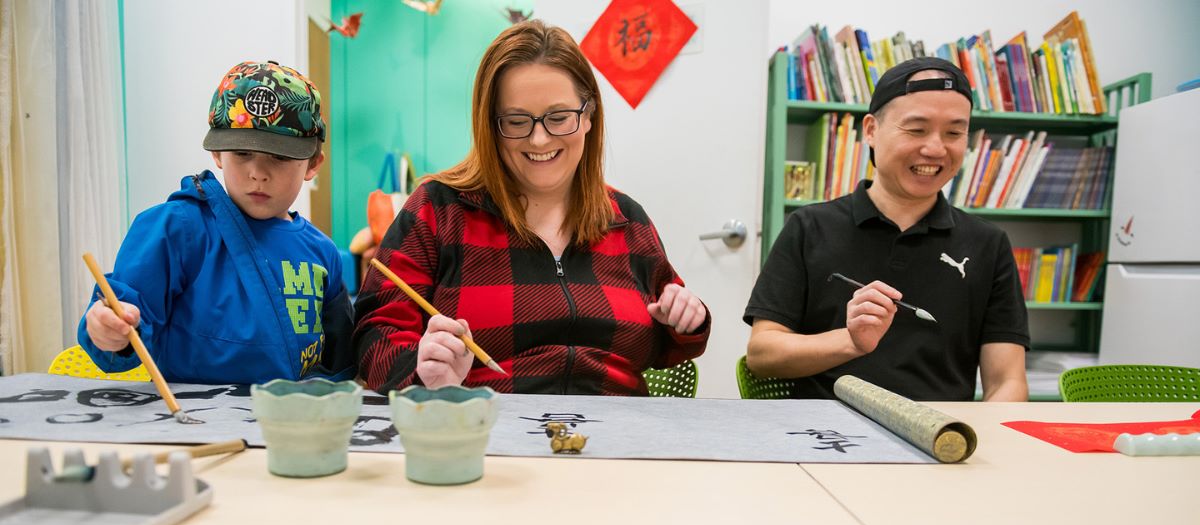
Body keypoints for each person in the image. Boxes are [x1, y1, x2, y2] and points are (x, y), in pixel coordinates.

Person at [354, 20, 709, 395]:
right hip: (485, 433)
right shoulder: (438, 210)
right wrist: (422, 368)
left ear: (588, 116)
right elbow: (372, 337)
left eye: (559, 118)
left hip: (617, 439)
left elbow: (663, 343)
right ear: (490, 124)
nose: (539, 139)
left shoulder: (627, 220)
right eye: (517, 121)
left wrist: (686, 320)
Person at [744, 57, 1028, 401]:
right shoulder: (810, 227)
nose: (936, 149)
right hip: (825, 434)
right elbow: (761, 355)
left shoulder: (988, 244)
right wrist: (850, 341)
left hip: (939, 437)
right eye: (917, 129)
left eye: (954, 133)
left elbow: (1006, 381)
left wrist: (974, 442)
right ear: (871, 131)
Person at [79, 60, 354, 384]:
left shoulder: (322, 252)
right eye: (241, 153)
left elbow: (341, 365)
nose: (257, 172)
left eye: (279, 157)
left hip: (289, 424)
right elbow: (125, 313)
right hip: (194, 427)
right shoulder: (175, 229)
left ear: (312, 164)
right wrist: (107, 329)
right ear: (217, 154)